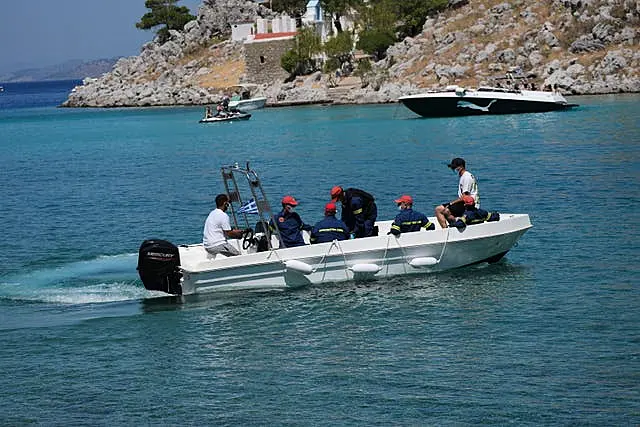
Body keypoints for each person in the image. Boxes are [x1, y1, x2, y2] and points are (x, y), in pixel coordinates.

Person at [435, 157, 479, 228]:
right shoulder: (463, 176)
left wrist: (451, 203)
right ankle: (450, 228)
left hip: (469, 204)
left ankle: (453, 228)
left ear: (461, 167)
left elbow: (465, 197)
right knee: (440, 209)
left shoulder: (466, 177)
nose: (453, 169)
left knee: (442, 210)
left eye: (455, 167)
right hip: (464, 202)